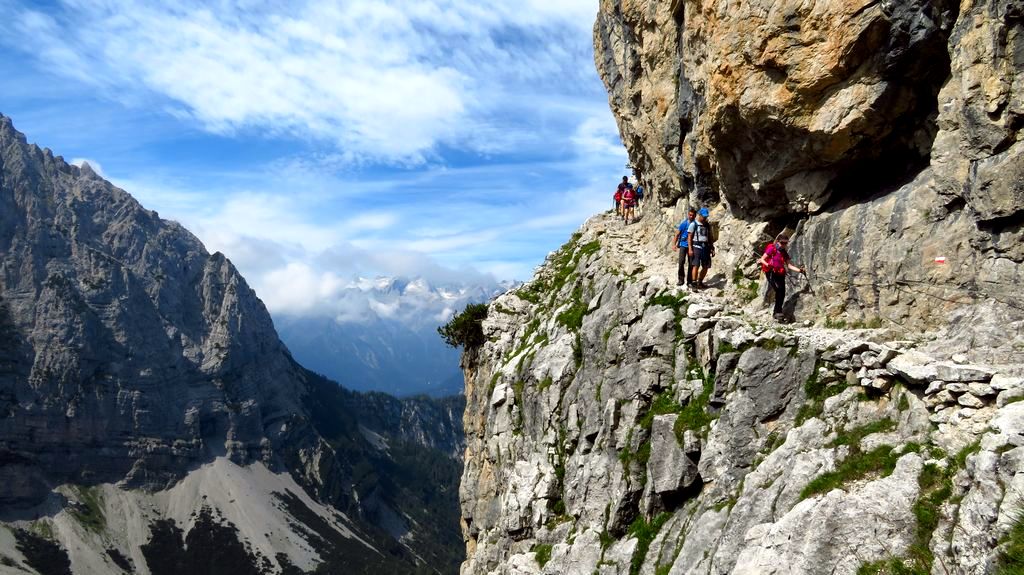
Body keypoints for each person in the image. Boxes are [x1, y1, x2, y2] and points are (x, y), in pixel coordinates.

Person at [758, 233, 805, 322]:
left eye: (786, 243)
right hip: (771, 272)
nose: (784, 245)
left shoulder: (784, 253)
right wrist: (768, 265)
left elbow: (789, 265)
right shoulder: (772, 249)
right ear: (778, 242)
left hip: (780, 273)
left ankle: (777, 312)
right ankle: (777, 312)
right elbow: (762, 259)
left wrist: (800, 270)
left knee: (782, 292)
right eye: (782, 243)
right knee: (778, 289)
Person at [687, 207, 715, 288]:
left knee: (706, 266)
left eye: (706, 216)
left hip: (706, 247)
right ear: (699, 215)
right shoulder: (693, 224)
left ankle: (700, 281)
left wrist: (712, 247)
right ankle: (694, 283)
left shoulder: (707, 225)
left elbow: (709, 236)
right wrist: (690, 249)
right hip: (696, 246)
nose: (705, 218)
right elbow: (689, 237)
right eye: (703, 216)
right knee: (696, 265)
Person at [672, 208, 697, 287]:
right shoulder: (684, 224)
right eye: (690, 215)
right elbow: (677, 234)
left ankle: (689, 281)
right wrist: (674, 244)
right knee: (681, 262)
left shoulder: (696, 224)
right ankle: (681, 279)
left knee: (691, 264)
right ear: (688, 215)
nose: (691, 216)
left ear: (695, 216)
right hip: (683, 245)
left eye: (692, 215)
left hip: (692, 246)